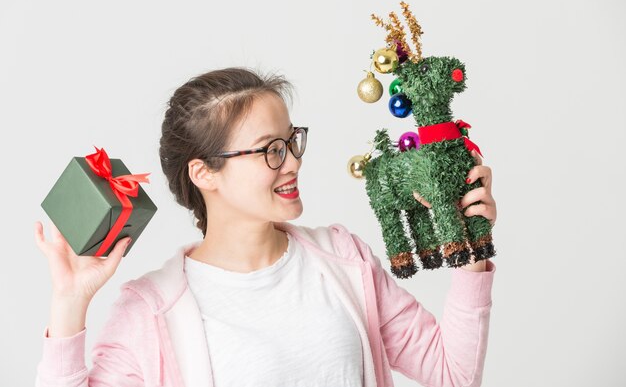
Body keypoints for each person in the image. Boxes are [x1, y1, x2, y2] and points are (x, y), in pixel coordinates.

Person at [34, 67, 497, 387]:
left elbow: (452, 374)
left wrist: (472, 246)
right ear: (204, 174)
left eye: (291, 141)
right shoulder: (152, 310)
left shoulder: (343, 259)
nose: (292, 161)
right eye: (269, 150)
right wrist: (69, 303)